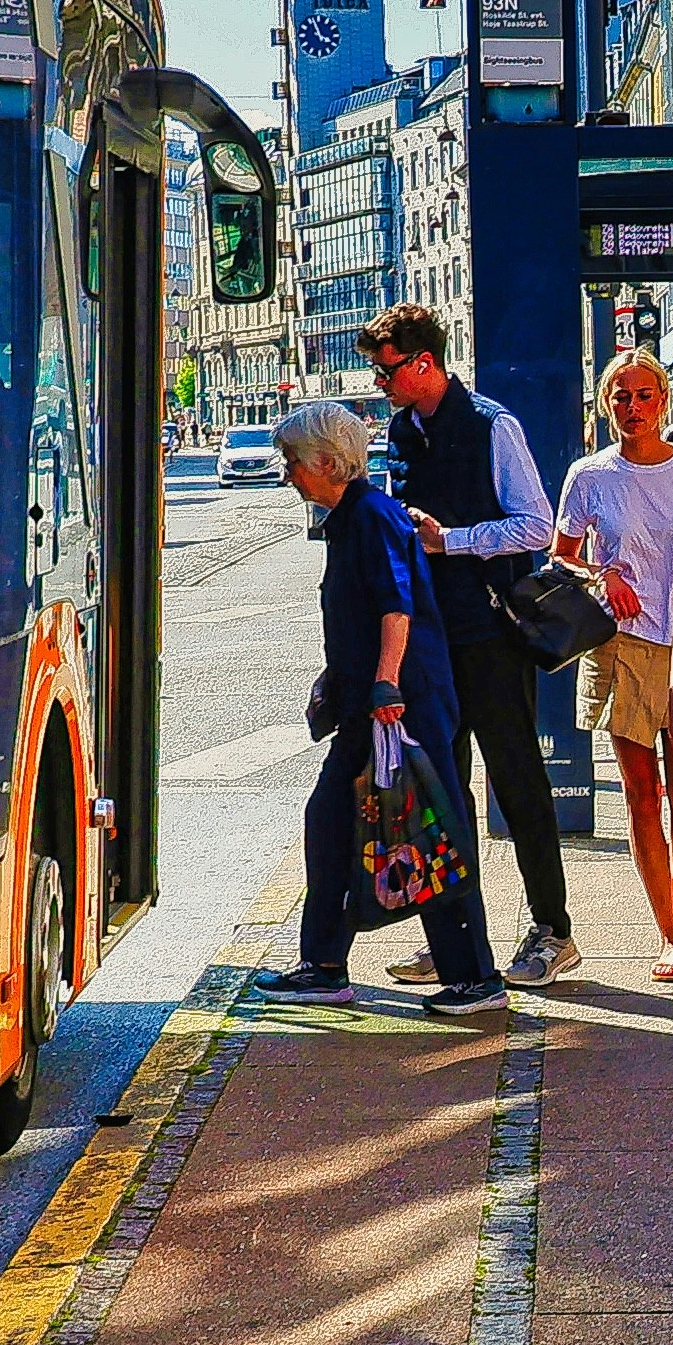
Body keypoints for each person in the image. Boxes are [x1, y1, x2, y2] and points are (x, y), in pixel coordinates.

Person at [262, 399, 505, 1013]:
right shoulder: (351, 517)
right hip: (371, 703)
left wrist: (386, 684)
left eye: (293, 460)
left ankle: (475, 977)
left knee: (427, 828)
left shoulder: (371, 516)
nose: (288, 473)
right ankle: (323, 964)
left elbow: (397, 606)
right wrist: (341, 676)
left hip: (401, 704)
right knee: (334, 822)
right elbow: (361, 612)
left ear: (327, 462)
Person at [365, 303, 579, 979]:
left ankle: (552, 931)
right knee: (443, 791)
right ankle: (456, 938)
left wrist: (451, 540)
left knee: (517, 780)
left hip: (490, 633)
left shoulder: (492, 424)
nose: (380, 382)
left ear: (424, 363)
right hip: (430, 639)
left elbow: (535, 524)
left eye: (387, 371)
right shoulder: (402, 429)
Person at [557, 349, 673, 982]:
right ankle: (669, 932)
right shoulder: (590, 475)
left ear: (665, 400)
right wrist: (602, 573)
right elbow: (562, 554)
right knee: (640, 793)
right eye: (621, 396)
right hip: (621, 643)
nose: (633, 407)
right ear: (606, 404)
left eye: (644, 394)